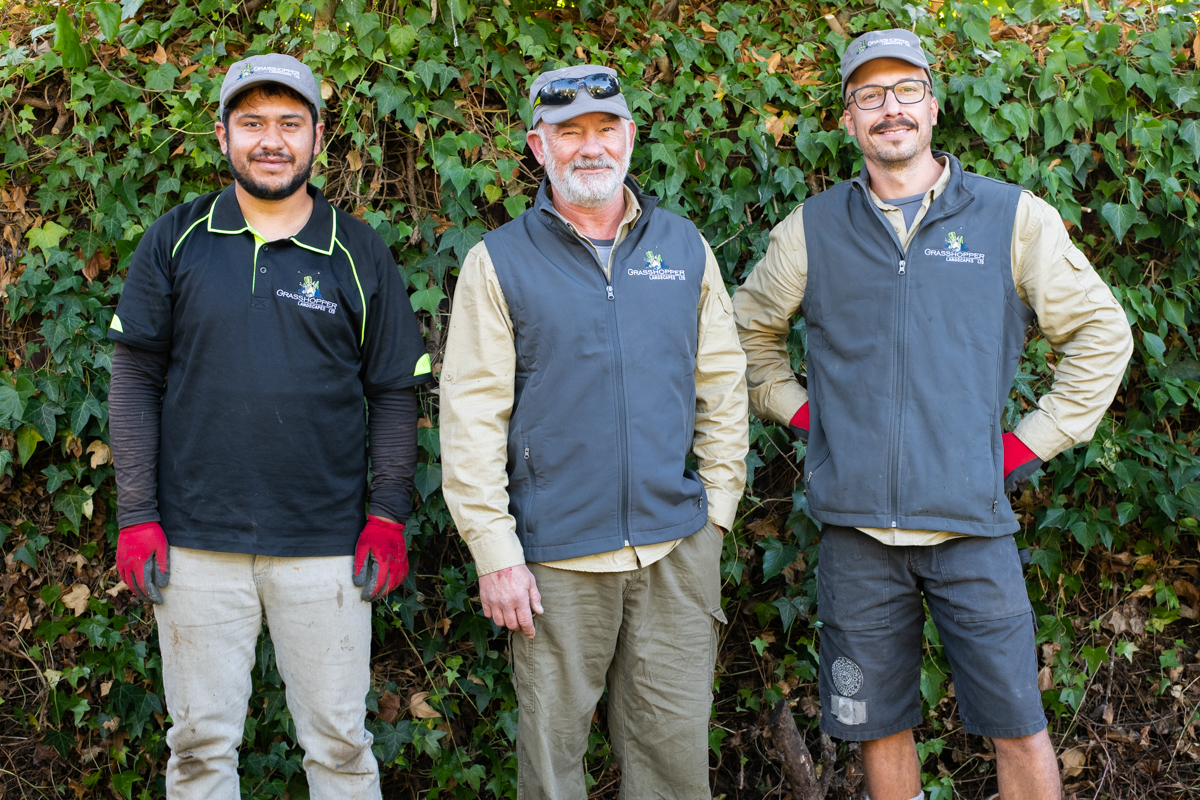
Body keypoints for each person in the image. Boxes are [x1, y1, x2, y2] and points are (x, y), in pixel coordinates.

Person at [733, 29, 1132, 800]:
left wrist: (1021, 448)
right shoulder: (812, 228)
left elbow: (1100, 333)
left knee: (1019, 724)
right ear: (848, 118)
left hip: (970, 526)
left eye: (906, 89)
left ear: (934, 105)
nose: (891, 108)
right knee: (878, 725)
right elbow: (746, 334)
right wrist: (811, 419)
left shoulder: (1012, 218)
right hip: (856, 533)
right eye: (869, 95)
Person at [107, 54, 432, 799]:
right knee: (198, 750)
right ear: (223, 136)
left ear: (318, 136)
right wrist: (136, 515)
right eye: (252, 122)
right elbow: (134, 378)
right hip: (194, 545)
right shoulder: (176, 239)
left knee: (341, 747)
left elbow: (392, 392)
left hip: (326, 547)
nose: (272, 140)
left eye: (290, 122)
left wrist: (387, 515)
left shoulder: (357, 251)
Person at [439, 64, 749, 799]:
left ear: (629, 137)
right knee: (553, 770)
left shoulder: (683, 247)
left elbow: (723, 383)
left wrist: (716, 515)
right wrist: (495, 552)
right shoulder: (499, 261)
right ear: (538, 145)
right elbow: (471, 416)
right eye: (569, 131)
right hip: (555, 562)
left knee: (674, 766)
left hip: (675, 549)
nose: (590, 146)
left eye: (605, 128)